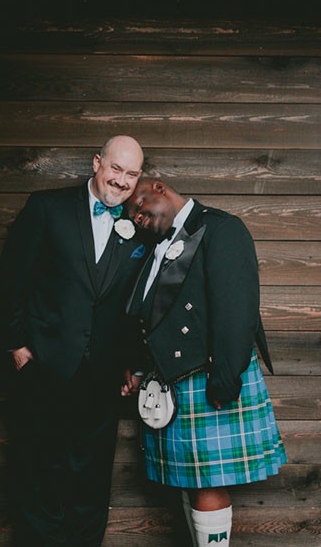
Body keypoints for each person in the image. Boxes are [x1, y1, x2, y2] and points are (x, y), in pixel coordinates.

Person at [0, 135, 147, 545]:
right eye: (116, 168)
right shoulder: (47, 208)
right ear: (97, 163)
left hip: (102, 378)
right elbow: (11, 281)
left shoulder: (138, 227)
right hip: (44, 368)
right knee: (38, 470)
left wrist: (131, 361)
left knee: (91, 481)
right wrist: (18, 347)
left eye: (132, 174)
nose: (121, 181)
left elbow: (133, 305)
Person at [123, 178, 286, 547]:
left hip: (206, 377)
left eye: (138, 207)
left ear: (158, 187)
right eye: (131, 216)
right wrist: (137, 367)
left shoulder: (221, 228)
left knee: (205, 484)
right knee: (190, 482)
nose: (136, 219)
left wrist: (226, 379)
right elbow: (152, 315)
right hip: (170, 381)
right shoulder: (155, 245)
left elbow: (237, 311)